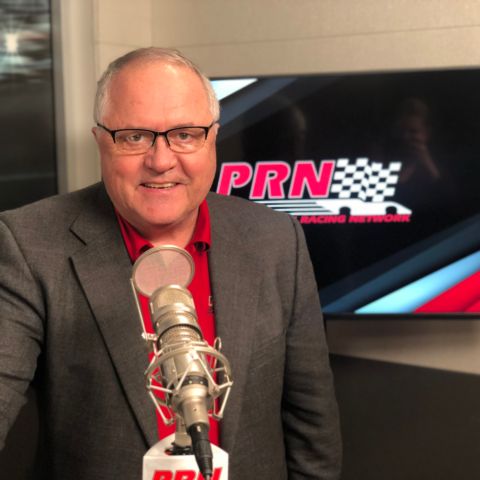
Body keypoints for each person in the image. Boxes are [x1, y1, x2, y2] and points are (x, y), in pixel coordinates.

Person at [0, 47, 341, 479]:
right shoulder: (29, 244)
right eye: (134, 136)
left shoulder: (276, 240)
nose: (161, 161)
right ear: (101, 141)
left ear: (212, 137)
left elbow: (313, 427)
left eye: (184, 134)